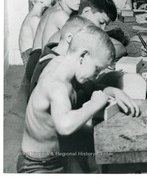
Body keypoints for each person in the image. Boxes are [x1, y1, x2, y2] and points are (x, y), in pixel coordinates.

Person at [17, 26, 118, 173]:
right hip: (36, 166)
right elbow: (65, 126)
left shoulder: (63, 63)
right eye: (97, 69)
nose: (97, 74)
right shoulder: (57, 85)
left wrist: (115, 91)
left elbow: (92, 85)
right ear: (83, 56)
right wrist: (94, 104)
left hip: (58, 157)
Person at [25, 0, 87, 81]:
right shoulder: (60, 15)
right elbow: (83, 41)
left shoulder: (54, 9)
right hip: (38, 68)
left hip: (36, 64)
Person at [48, 0, 128, 60]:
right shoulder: (68, 34)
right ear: (86, 12)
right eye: (101, 22)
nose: (103, 29)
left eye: (105, 25)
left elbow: (120, 48)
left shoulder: (88, 32)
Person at [19, 0, 53, 66]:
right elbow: (40, 45)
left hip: (33, 54)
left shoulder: (35, 14)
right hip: (31, 58)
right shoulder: (35, 19)